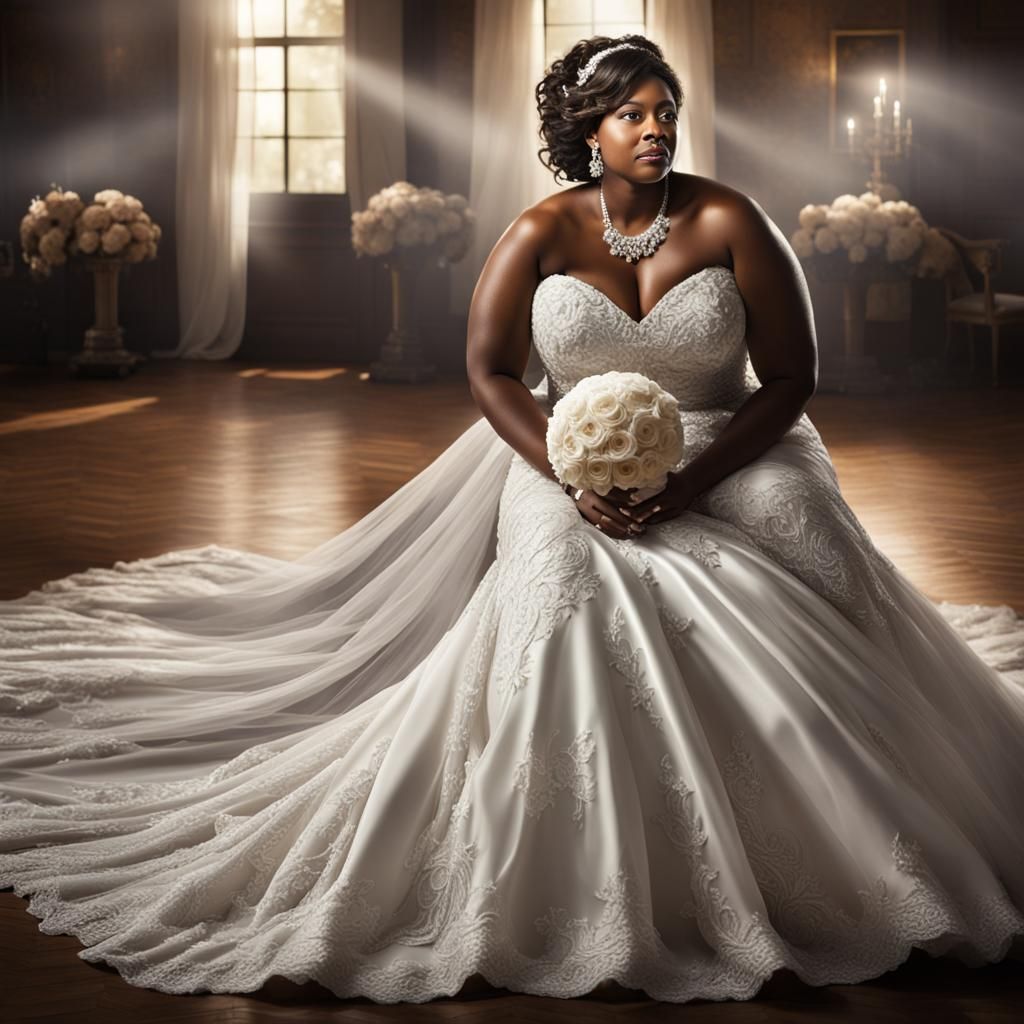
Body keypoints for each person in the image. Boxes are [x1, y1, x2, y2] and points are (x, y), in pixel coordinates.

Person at [1, 34, 1022, 1006]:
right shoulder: (539, 229)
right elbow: (491, 371)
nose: (656, 130)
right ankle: (568, 862)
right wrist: (570, 470)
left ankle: (876, 815)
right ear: (590, 130)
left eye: (667, 112)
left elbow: (792, 376)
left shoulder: (728, 222)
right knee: (565, 584)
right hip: (561, 448)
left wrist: (691, 477)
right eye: (632, 115)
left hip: (731, 439)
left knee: (804, 537)